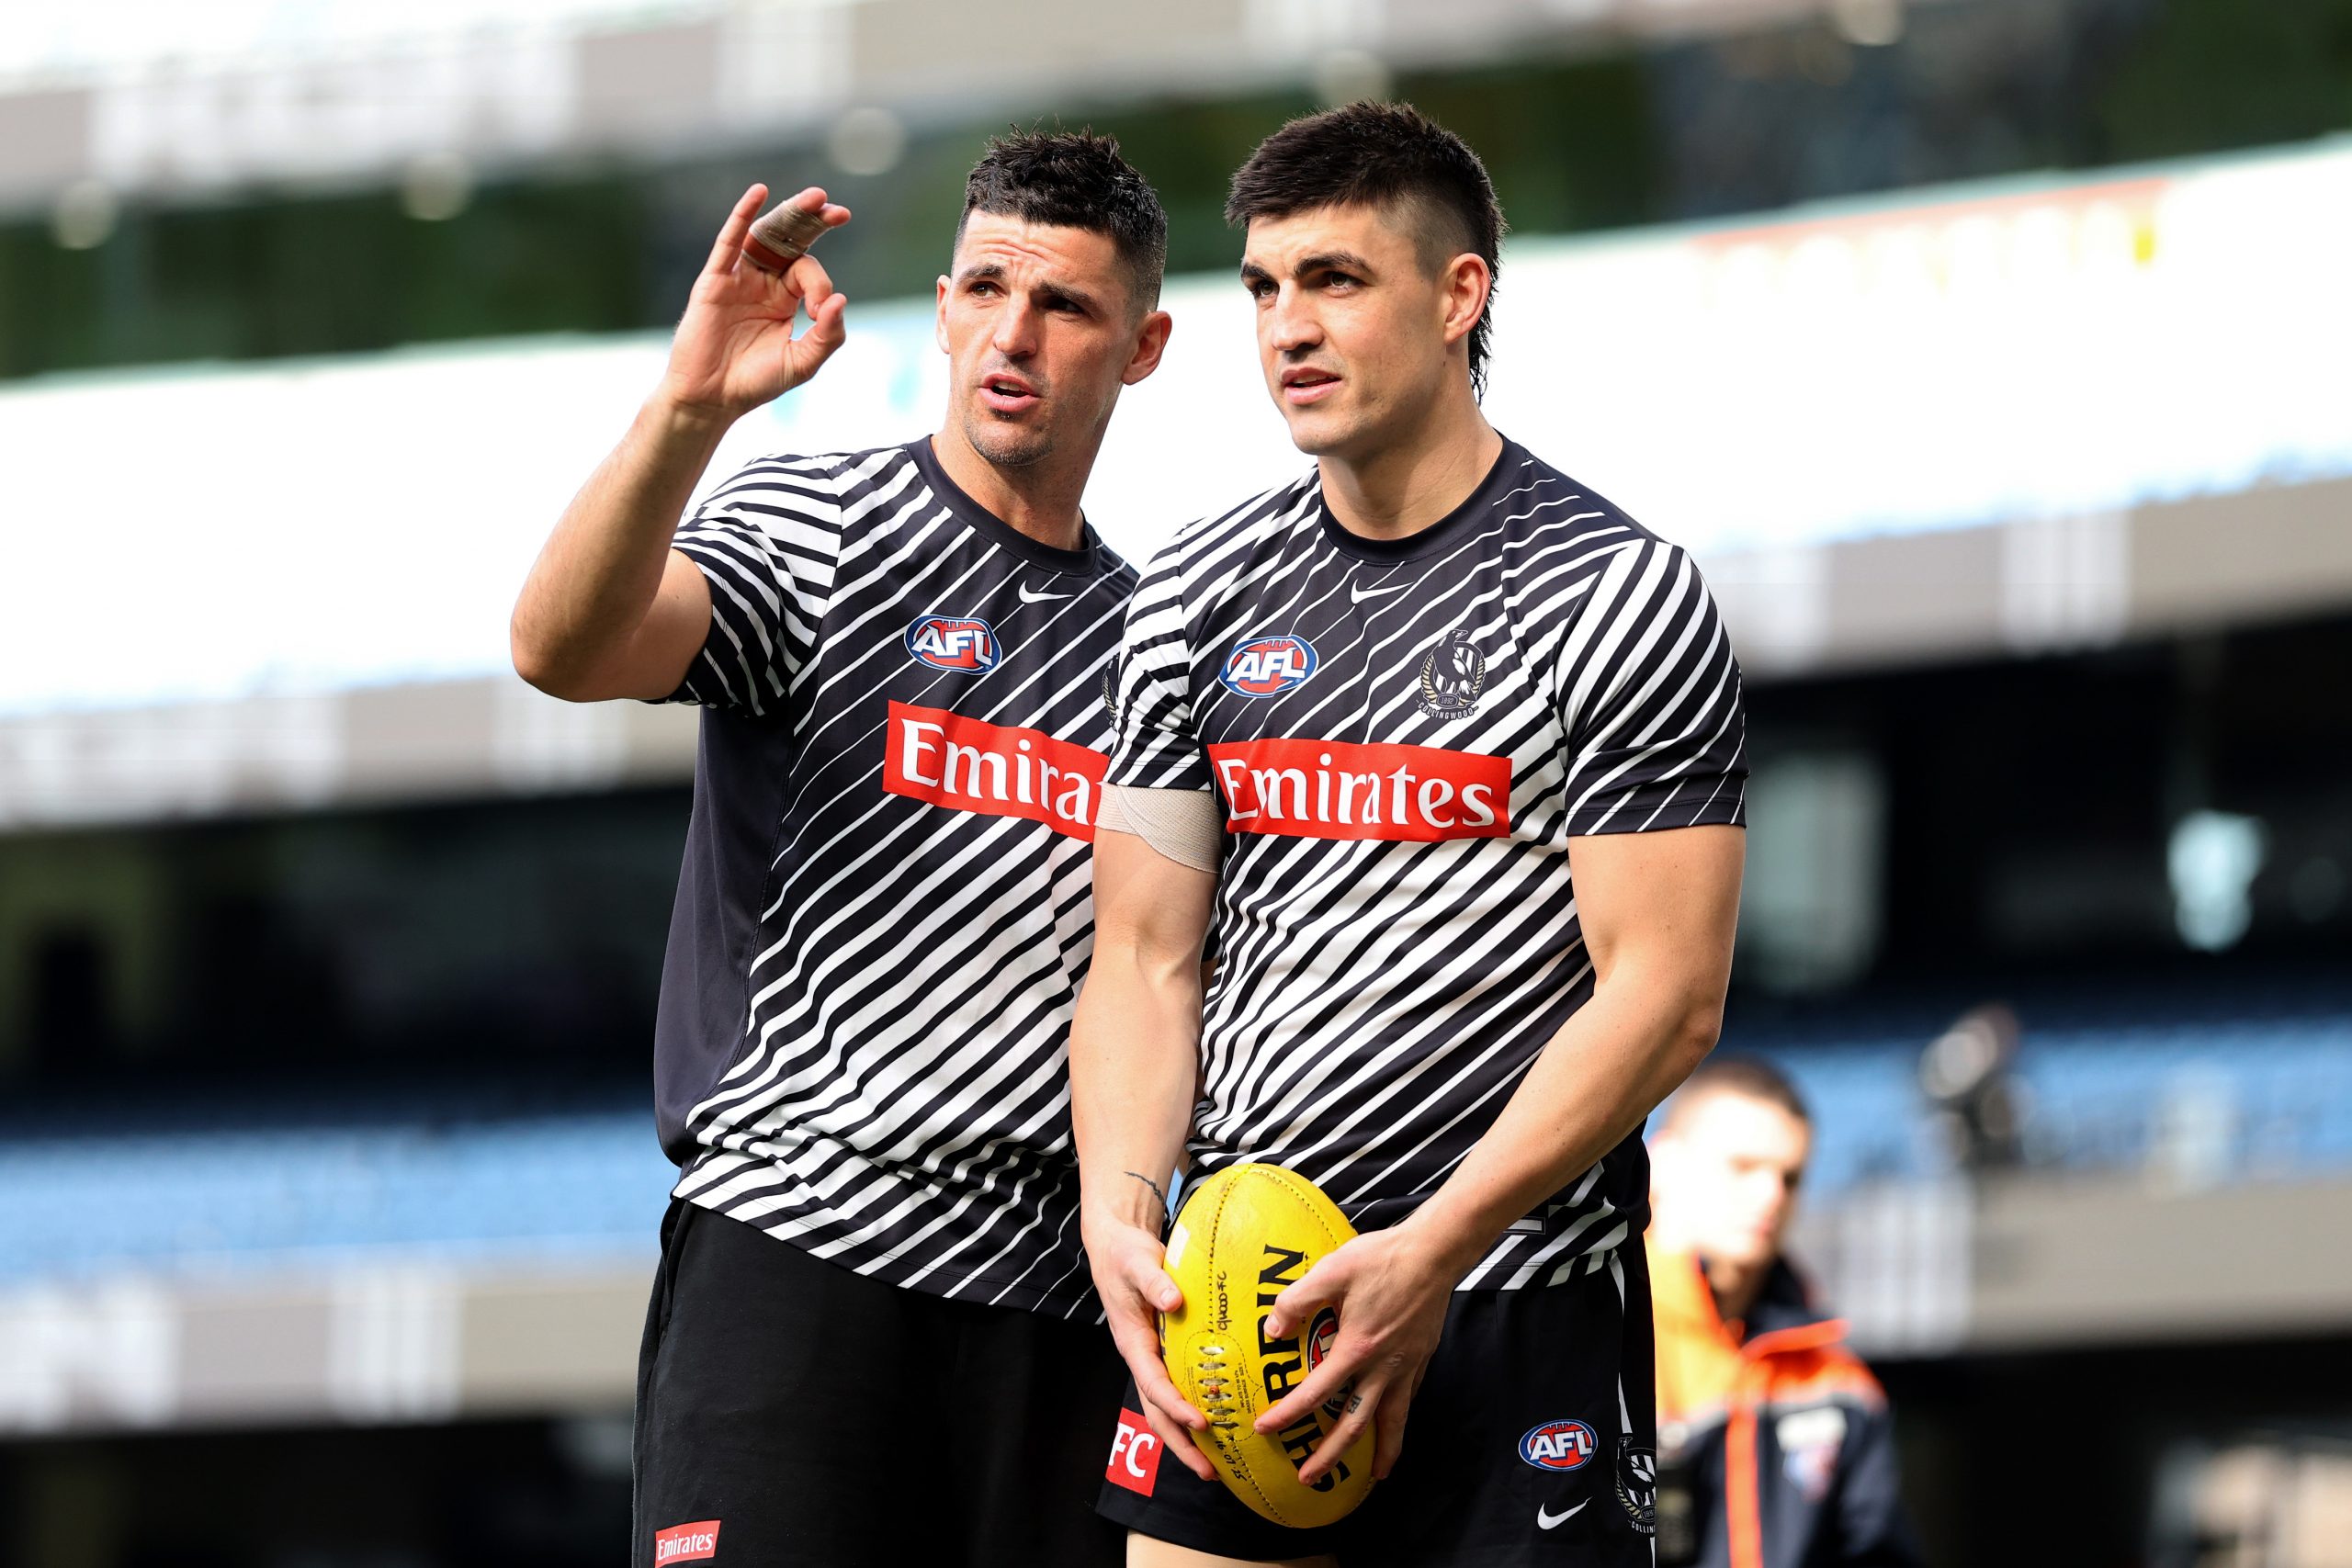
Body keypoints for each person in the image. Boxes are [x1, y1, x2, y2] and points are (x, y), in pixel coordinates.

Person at [1070, 101, 1748, 1567]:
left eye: (1336, 280)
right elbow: (1139, 949)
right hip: (1244, 1300)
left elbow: (1669, 992)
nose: (1287, 328)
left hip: (1513, 1295)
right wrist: (1120, 1206)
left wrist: (1433, 1247)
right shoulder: (1190, 592)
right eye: (1262, 287)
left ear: (1460, 296)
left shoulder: (1616, 592)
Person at [508, 131, 1172, 1567]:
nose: (1014, 332)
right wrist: (688, 411)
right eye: (986, 286)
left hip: (1056, 1307)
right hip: (799, 1254)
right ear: (939, 306)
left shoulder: (1159, 640)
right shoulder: (817, 521)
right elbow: (561, 649)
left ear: (1143, 347)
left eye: (1064, 306)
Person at [1645, 1056, 1920, 1568]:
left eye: (1790, 1178)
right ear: (1662, 1164)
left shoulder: (1838, 1382)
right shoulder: (1588, 1338)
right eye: (1743, 1166)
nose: (1770, 1196)